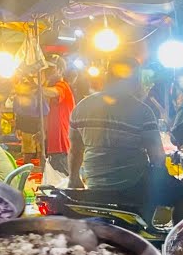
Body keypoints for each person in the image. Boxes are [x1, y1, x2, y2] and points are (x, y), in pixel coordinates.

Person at [68, 55, 165, 197]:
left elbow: (75, 150)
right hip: (133, 184)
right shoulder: (142, 111)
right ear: (136, 81)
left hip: (94, 184)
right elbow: (157, 156)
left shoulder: (81, 107)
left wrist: (73, 178)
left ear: (107, 77)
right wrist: (162, 178)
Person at [43, 63, 75, 169]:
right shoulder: (52, 89)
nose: (48, 73)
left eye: (52, 70)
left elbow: (54, 92)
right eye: (47, 70)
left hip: (61, 143)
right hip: (55, 144)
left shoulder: (62, 85)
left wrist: (36, 88)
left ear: (60, 71)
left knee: (63, 180)